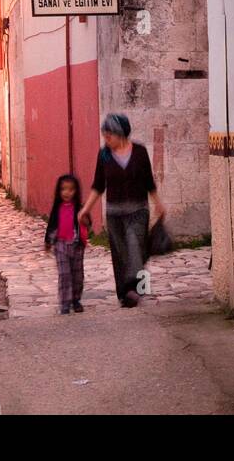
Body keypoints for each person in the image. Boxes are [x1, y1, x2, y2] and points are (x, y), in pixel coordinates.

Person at [78, 113, 166, 308]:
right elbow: (98, 186)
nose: (106, 139)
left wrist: (158, 203)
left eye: (109, 135)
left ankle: (136, 289)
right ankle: (125, 294)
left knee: (136, 249)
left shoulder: (140, 152)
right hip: (114, 213)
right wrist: (85, 210)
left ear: (121, 133)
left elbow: (148, 182)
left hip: (138, 211)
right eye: (104, 135)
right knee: (120, 254)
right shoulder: (104, 155)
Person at [44, 174, 90, 314]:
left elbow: (88, 223)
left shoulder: (79, 208)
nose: (67, 192)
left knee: (77, 275)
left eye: (71, 189)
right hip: (61, 245)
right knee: (64, 275)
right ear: (59, 191)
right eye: (63, 189)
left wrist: (84, 219)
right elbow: (51, 225)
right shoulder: (57, 208)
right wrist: (48, 241)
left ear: (76, 191)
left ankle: (76, 300)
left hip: (77, 246)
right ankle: (64, 303)